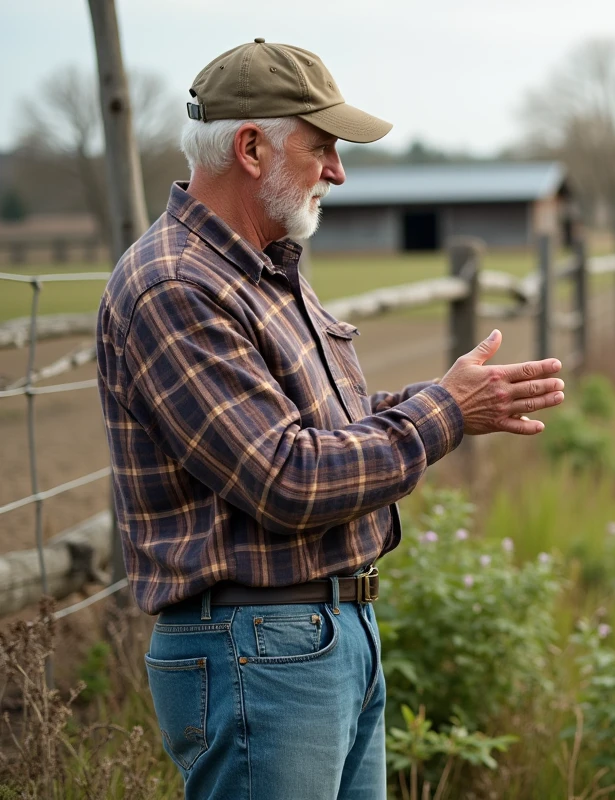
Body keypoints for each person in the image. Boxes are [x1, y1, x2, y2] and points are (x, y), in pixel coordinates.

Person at [95, 39, 565, 799]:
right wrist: (444, 413)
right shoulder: (176, 287)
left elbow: (326, 424)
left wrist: (446, 397)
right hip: (257, 649)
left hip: (317, 638)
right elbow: (288, 476)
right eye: (323, 148)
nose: (338, 172)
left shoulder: (262, 267)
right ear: (251, 147)